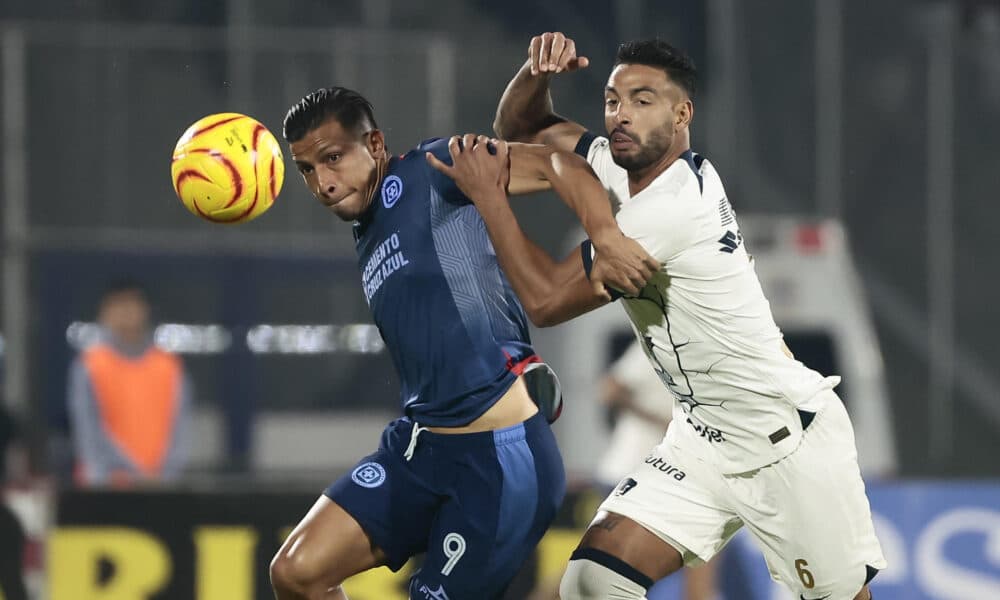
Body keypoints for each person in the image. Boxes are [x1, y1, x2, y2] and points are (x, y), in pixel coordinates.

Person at [428, 34, 886, 600]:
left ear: (682, 113)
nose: (621, 116)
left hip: (781, 443)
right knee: (592, 582)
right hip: (700, 437)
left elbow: (546, 301)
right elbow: (521, 128)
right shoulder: (622, 169)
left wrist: (490, 200)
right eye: (613, 101)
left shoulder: (671, 209)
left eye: (643, 101)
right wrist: (535, 71)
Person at [268, 86, 659, 600]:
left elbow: (557, 165)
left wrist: (605, 234)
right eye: (307, 171)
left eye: (333, 159)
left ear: (377, 144)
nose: (322, 182)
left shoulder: (431, 168)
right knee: (295, 573)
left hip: (500, 460)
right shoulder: (367, 229)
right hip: (420, 446)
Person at [67, 280, 192, 487]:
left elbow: (180, 427)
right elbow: (88, 433)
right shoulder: (89, 365)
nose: (126, 312)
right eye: (118, 305)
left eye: (131, 304)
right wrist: (128, 474)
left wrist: (166, 477)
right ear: (104, 313)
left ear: (145, 310)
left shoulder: (169, 367)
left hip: (160, 487)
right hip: (105, 486)